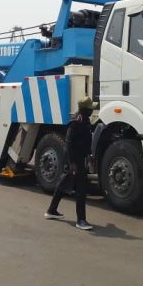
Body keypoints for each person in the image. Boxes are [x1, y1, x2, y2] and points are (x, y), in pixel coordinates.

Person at [44, 96, 95, 231]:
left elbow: (86, 141)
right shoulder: (75, 123)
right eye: (90, 109)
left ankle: (51, 210)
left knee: (63, 185)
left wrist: (89, 155)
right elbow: (69, 144)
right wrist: (72, 163)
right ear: (85, 110)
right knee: (81, 190)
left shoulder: (85, 121)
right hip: (74, 160)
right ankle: (81, 220)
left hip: (80, 159)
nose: (92, 111)